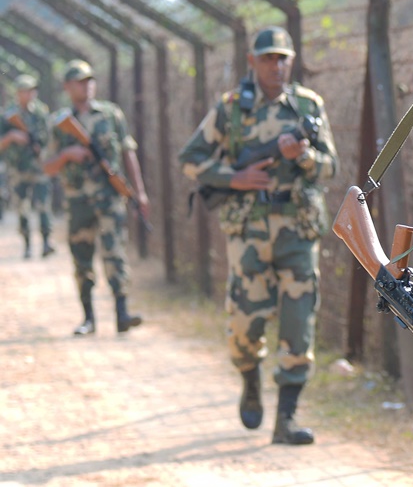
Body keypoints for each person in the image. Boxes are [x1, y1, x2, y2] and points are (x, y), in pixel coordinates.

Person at [178, 27, 338, 445]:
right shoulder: (230, 109)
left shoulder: (308, 105)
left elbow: (330, 168)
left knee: (299, 324)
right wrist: (236, 177)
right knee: (245, 324)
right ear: (253, 61)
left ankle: (286, 418)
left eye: (283, 57)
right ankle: (250, 380)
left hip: (298, 229)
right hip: (248, 229)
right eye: (268, 58)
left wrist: (301, 156)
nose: (277, 65)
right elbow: (190, 159)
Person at [43, 60, 150, 336]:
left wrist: (138, 191)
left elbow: (128, 153)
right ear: (67, 87)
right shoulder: (59, 124)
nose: (86, 86)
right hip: (78, 201)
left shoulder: (111, 115)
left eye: (90, 80)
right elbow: (47, 166)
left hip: (109, 198)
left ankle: (122, 313)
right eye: (80, 81)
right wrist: (68, 155)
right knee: (82, 258)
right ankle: (88, 318)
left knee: (115, 253)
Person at [0, 74, 54, 258]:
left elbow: (48, 138)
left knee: (43, 205)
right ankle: (27, 245)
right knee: (22, 207)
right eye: (24, 91)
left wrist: (41, 147)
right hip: (17, 169)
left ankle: (47, 242)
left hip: (38, 167)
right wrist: (12, 137)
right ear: (17, 93)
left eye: (31, 91)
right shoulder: (7, 115)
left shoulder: (41, 112)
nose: (28, 95)